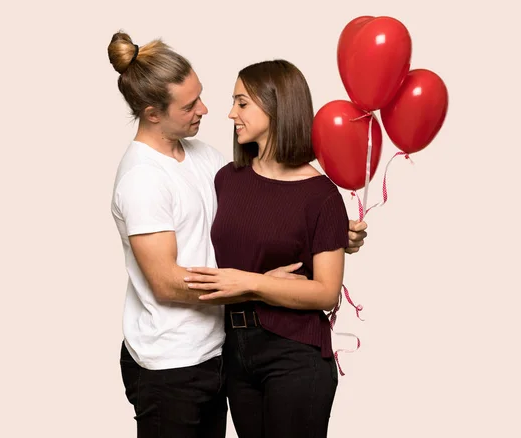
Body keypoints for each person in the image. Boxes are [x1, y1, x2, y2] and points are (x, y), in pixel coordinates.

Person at [107, 31, 367, 438]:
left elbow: (264, 212)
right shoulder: (143, 179)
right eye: (190, 104)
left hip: (217, 353)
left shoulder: (210, 162)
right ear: (153, 112)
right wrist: (257, 286)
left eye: (208, 97)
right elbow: (166, 283)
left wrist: (332, 234)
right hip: (169, 361)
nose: (210, 111)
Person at [183, 60, 351, 438]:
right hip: (234, 352)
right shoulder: (228, 179)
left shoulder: (322, 196)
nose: (230, 113)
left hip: (293, 354)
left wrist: (251, 283)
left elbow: (326, 291)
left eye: (242, 103)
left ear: (275, 106)